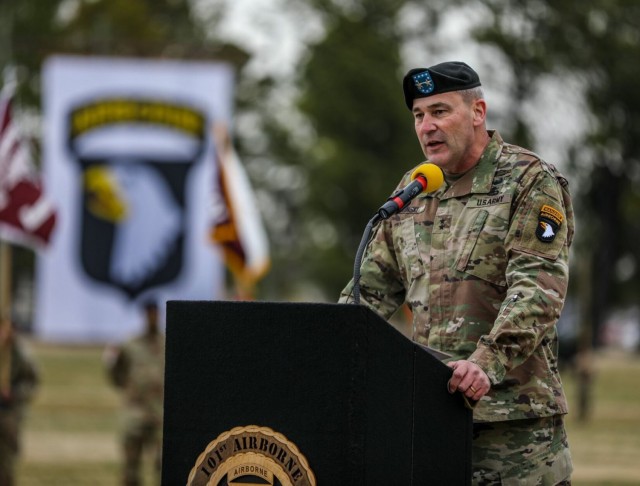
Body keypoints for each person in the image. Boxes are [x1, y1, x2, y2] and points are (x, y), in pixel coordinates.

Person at [339, 61, 574, 485]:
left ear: (477, 112)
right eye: (418, 115)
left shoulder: (528, 181)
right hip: (431, 418)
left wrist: (486, 362)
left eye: (440, 111)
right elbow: (369, 292)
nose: (427, 126)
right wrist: (326, 348)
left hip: (513, 432)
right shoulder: (414, 188)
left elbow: (538, 288)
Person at [105, 300, 165, 486]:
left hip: (161, 414)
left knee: (164, 465)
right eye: (149, 313)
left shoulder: (168, 344)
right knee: (130, 467)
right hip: (135, 413)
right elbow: (116, 373)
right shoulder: (130, 345)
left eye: (155, 312)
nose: (152, 317)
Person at [0, 316, 40, 486]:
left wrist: (15, 393)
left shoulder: (21, 354)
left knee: (7, 458)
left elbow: (32, 383)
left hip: (10, 413)